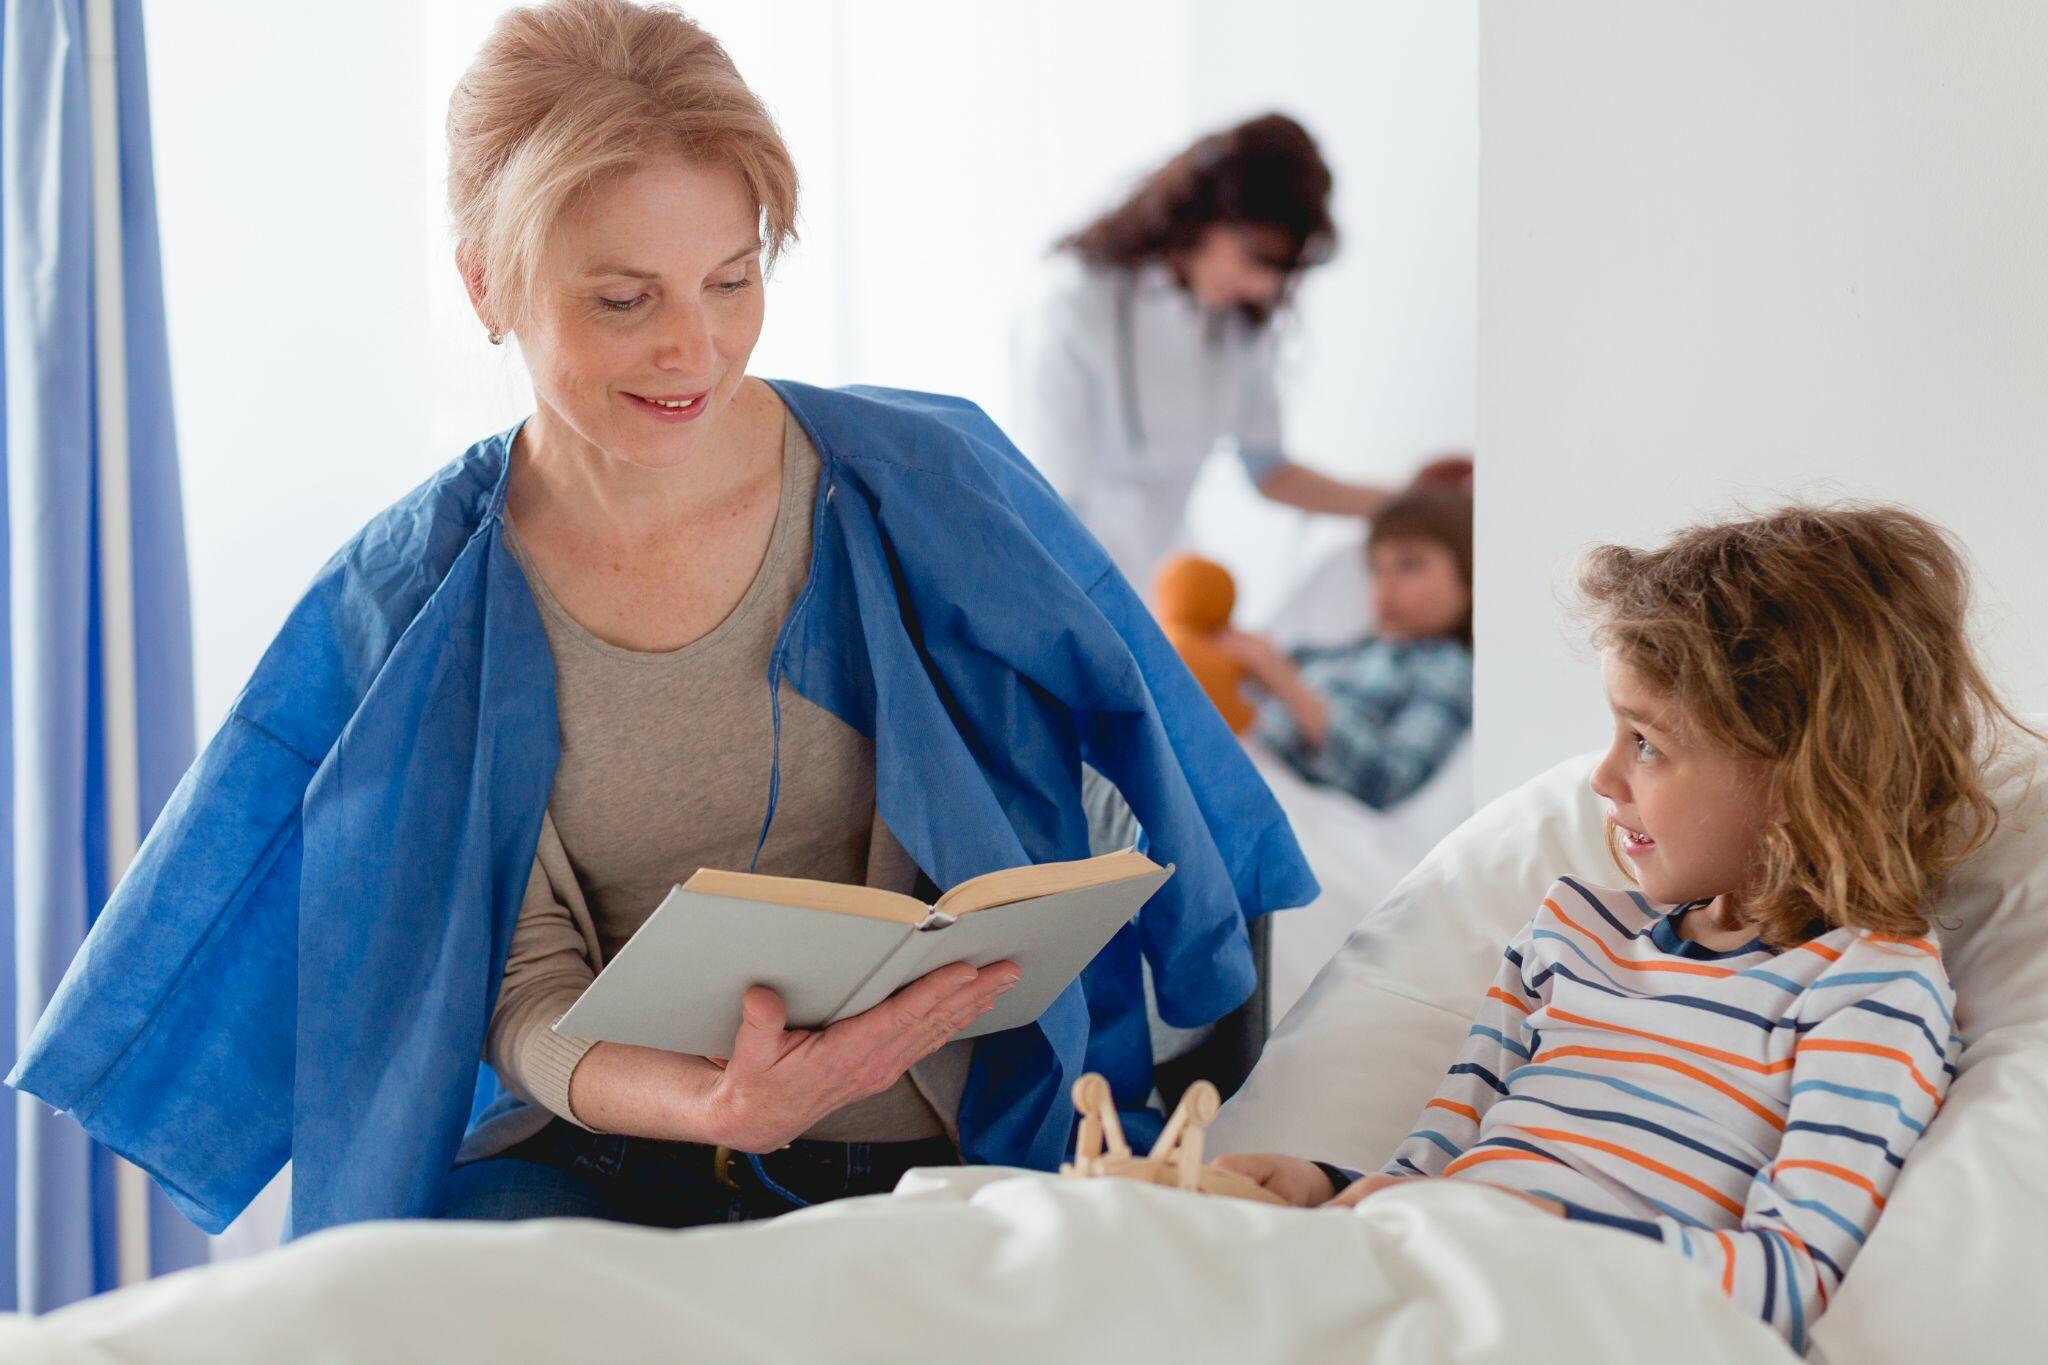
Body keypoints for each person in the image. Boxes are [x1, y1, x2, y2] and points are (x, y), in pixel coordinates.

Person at [8, 0, 1316, 1238]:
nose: (692, 351)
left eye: (732, 281)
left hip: (939, 1177)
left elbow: (1155, 766)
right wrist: (717, 1102)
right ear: (486, 285)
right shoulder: (420, 605)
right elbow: (517, 992)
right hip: (609, 1170)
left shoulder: (926, 485)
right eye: (624, 300)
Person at [1215, 504, 2035, 1349]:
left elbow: (1787, 1280)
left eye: (1646, 741)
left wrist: (1526, 1232)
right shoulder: (1569, 931)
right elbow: (1428, 1172)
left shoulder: (1867, 983)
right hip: (1415, 1290)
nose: (1603, 776)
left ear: (1802, 774)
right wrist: (1319, 1185)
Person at [1009, 114, 1396, 584]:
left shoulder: (1237, 325)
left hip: (1171, 588)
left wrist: (1407, 503)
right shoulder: (1071, 304)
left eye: (1280, 271)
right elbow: (1050, 498)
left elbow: (1269, 471)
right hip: (1068, 582)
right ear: (1201, 217)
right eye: (1256, 258)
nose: (1263, 286)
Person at [1220, 489, 1473, 808]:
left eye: (1409, 565)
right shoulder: (1348, 653)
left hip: (1290, 788)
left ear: (1470, 574)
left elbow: (1390, 778)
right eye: (1375, 569)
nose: (1386, 585)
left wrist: (1286, 685)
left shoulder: (1448, 669)